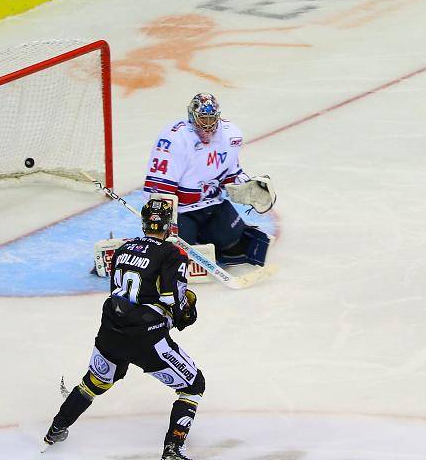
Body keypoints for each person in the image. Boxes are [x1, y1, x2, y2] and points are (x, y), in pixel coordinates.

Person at [43, 199, 204, 460]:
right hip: (146, 337)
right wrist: (186, 313)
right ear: (169, 225)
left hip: (112, 330)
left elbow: (118, 293)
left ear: (144, 223)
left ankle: (55, 430)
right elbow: (173, 299)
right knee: (193, 386)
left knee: (94, 382)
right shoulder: (173, 254)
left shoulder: (122, 249)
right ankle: (173, 449)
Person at [144, 93, 276, 267]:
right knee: (174, 257)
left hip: (212, 204)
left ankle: (204, 237)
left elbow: (231, 174)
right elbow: (157, 189)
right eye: (202, 119)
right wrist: (163, 223)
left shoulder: (231, 135)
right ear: (192, 117)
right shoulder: (174, 139)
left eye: (211, 119)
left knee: (236, 246)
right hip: (181, 211)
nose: (207, 126)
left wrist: (246, 186)